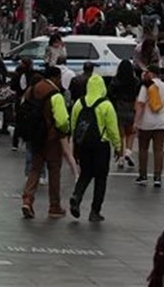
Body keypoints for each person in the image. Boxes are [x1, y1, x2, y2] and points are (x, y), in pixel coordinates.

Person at [21, 65, 70, 219]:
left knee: (35, 169)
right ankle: (54, 206)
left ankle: (27, 200)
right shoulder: (55, 95)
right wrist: (65, 131)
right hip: (51, 138)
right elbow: (62, 120)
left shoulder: (31, 89)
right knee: (54, 170)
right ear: (56, 78)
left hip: (34, 136)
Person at [69, 74, 120, 222]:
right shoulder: (106, 105)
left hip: (83, 144)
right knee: (101, 178)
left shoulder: (79, 103)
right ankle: (95, 211)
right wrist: (118, 146)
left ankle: (77, 195)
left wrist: (75, 143)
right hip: (101, 145)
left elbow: (74, 125)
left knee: (85, 173)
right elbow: (112, 128)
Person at [133, 64, 164, 187]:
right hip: (162, 123)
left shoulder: (146, 87)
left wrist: (136, 122)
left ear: (151, 73)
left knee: (143, 149)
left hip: (146, 123)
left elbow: (140, 104)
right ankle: (157, 177)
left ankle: (143, 175)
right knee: (159, 150)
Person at [110, 58, 140, 169]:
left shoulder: (115, 80)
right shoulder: (135, 81)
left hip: (119, 108)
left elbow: (111, 94)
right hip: (131, 107)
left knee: (120, 135)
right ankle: (128, 152)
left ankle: (121, 158)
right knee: (131, 133)